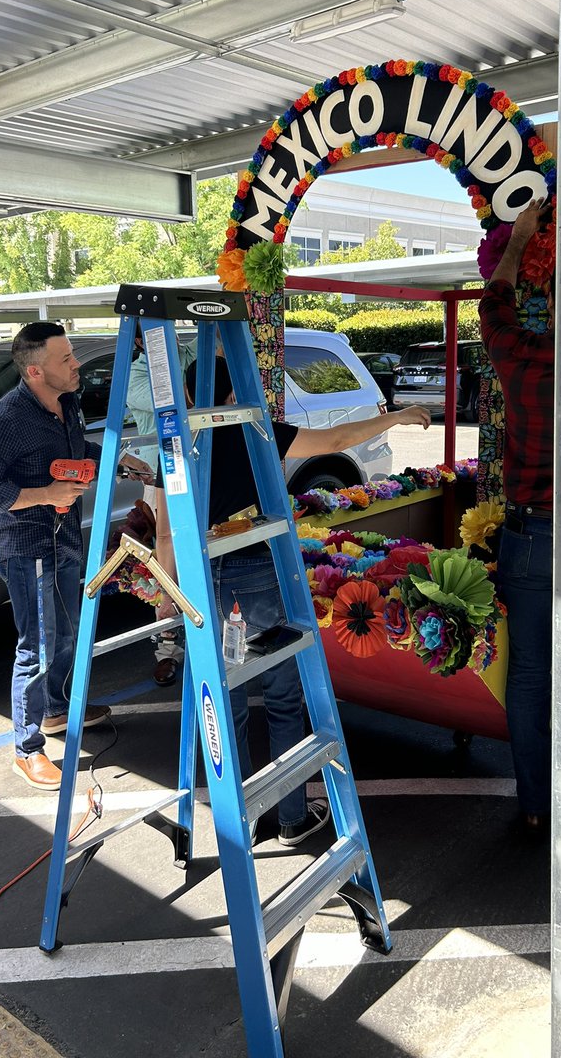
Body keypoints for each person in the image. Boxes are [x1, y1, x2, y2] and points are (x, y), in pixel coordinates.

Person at [153, 355, 431, 846]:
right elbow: (337, 441)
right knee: (283, 697)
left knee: (226, 701)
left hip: (201, 578)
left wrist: (164, 595)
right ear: (236, 393)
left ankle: (238, 817)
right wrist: (395, 416)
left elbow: (166, 533)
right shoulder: (255, 430)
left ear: (191, 396)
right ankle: (290, 816)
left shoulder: (175, 444)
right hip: (254, 570)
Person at [0, 322, 151, 791]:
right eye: (66, 359)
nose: (76, 365)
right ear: (34, 371)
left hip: (64, 540)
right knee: (38, 646)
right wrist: (44, 493)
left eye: (72, 355)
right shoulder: (4, 421)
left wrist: (117, 459)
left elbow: (74, 449)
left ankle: (56, 711)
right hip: (26, 548)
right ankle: (26, 751)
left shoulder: (66, 403)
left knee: (66, 633)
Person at [478, 198, 555, 836]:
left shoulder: (521, 359)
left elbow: (493, 303)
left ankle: (534, 804)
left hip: (531, 537)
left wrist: (519, 237)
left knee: (528, 670)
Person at [126, 330, 198, 686]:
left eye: (167, 329)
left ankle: (210, 643)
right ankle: (167, 648)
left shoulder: (188, 353)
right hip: (162, 478)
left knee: (206, 555)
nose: (163, 338)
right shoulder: (138, 377)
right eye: (153, 333)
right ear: (140, 342)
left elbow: (216, 344)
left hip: (202, 471)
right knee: (166, 558)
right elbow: (172, 404)